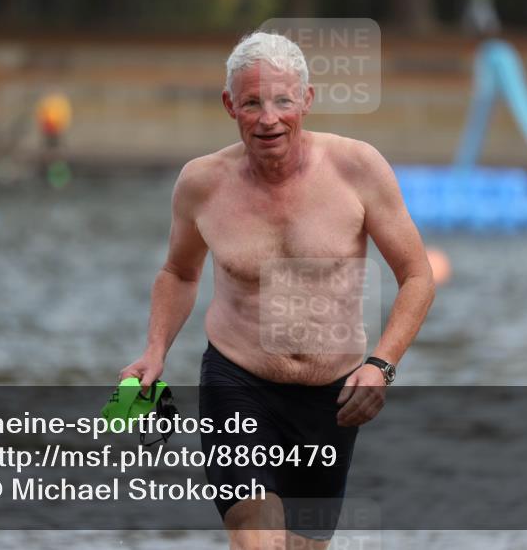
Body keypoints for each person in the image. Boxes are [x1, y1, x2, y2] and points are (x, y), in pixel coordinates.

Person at [120, 32, 435, 549]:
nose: (268, 119)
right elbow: (179, 272)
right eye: (252, 103)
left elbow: (417, 276)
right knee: (257, 534)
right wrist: (155, 352)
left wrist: (382, 365)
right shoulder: (202, 183)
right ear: (230, 106)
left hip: (334, 399)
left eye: (283, 101)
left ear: (306, 100)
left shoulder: (357, 168)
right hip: (237, 382)